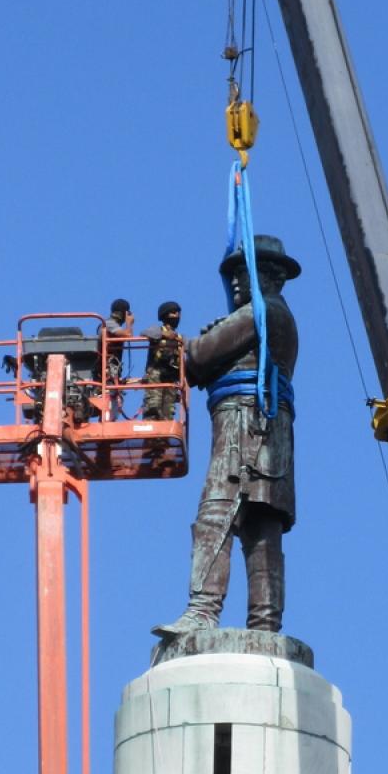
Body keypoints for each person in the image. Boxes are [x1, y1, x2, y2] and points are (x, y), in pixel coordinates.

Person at [152, 235, 300, 637]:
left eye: (244, 271)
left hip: (244, 427)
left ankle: (202, 610)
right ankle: (265, 626)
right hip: (270, 431)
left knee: (216, 514)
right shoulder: (274, 316)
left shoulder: (262, 313)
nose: (235, 281)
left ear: (271, 276)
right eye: (232, 274)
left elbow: (197, 357)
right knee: (261, 528)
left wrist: (205, 340)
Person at [140, 300, 183, 420]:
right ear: (165, 315)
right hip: (156, 375)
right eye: (174, 313)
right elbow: (144, 333)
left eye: (178, 313)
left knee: (168, 412)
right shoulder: (156, 330)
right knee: (153, 407)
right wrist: (165, 335)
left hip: (171, 377)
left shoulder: (179, 338)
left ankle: (163, 437)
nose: (177, 316)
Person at [105, 298, 134, 418]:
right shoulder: (109, 324)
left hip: (114, 371)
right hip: (107, 371)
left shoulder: (113, 324)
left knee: (114, 401)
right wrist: (129, 323)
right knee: (109, 400)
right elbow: (128, 335)